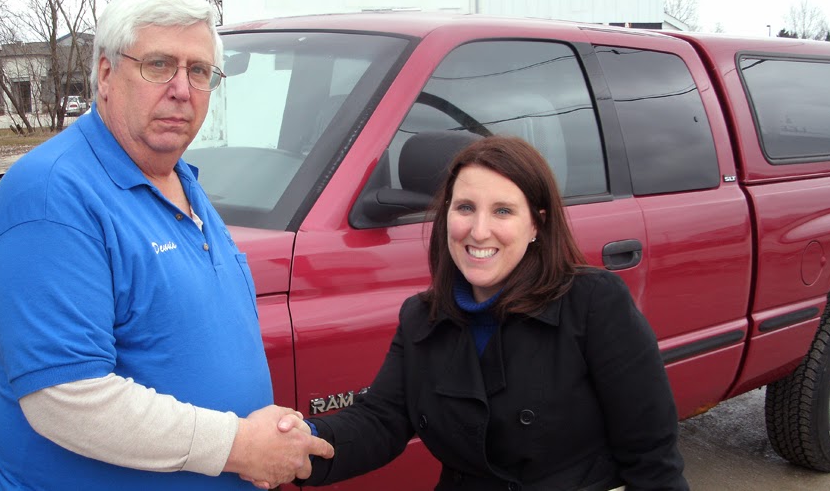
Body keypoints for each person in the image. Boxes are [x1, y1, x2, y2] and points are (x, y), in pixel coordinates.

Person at [0, 0, 331, 491]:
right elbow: (66, 398)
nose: (182, 89)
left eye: (199, 71)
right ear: (105, 73)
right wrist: (239, 446)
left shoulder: (178, 179)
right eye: (159, 65)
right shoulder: (51, 197)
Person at [292, 136, 688, 490]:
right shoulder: (422, 317)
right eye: (465, 207)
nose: (479, 231)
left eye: (503, 211)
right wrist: (297, 441)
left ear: (536, 224)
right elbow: (380, 420)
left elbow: (651, 455)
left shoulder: (593, 303)